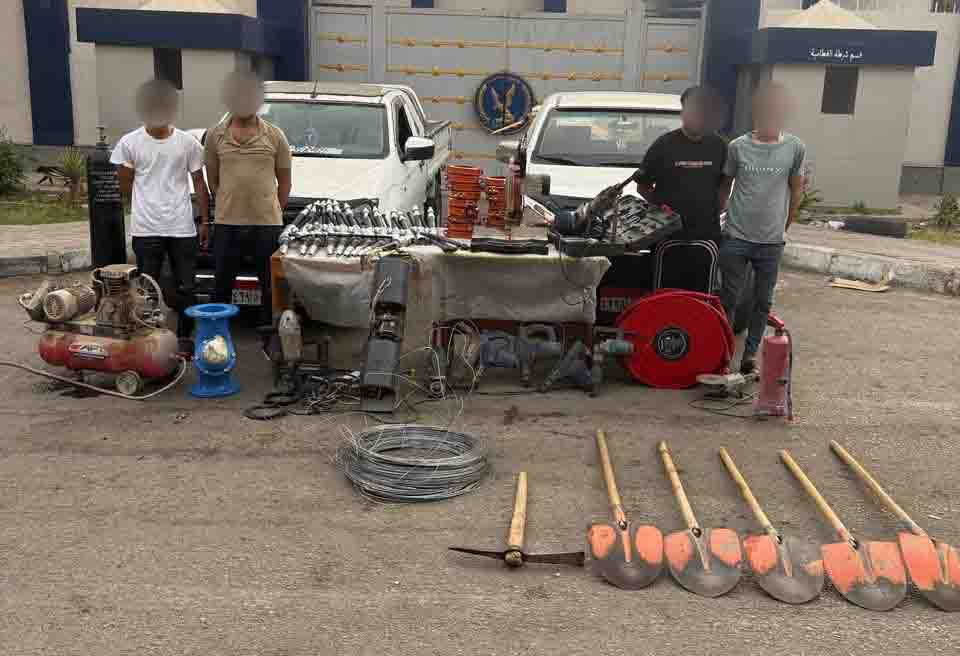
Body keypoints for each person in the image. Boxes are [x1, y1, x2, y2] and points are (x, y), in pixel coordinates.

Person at [112, 79, 208, 351]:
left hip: (181, 227)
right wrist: (143, 206)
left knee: (187, 287)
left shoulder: (188, 143)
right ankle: (149, 339)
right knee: (146, 288)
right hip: (146, 229)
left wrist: (205, 221)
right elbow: (124, 184)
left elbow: (199, 183)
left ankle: (185, 338)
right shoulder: (129, 143)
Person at [718, 81, 806, 375]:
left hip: (771, 242)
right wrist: (720, 218)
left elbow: (796, 189)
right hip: (736, 237)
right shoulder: (737, 147)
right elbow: (725, 187)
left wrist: (784, 225)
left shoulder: (795, 148)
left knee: (762, 302)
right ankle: (722, 354)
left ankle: (749, 356)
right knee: (729, 298)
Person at [205, 70, 292, 327]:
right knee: (221, 285)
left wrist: (272, 208)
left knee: (270, 285)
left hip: (266, 224)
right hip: (227, 223)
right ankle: (216, 334)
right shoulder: (215, 136)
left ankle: (270, 336)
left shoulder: (275, 135)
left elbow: (285, 181)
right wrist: (229, 201)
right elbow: (213, 180)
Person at [635, 86, 730, 245]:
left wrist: (714, 211)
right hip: (668, 235)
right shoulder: (663, 145)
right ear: (683, 113)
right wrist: (662, 209)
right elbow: (643, 187)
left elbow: (724, 185)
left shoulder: (720, 146)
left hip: (707, 234)